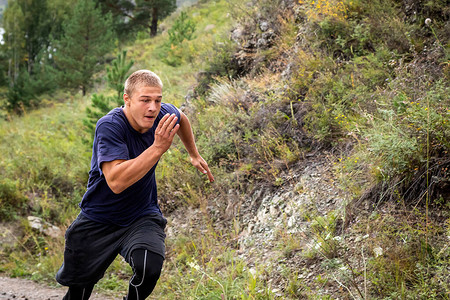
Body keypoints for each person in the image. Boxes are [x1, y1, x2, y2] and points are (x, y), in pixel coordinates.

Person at [56, 69, 214, 300]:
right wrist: (158, 148)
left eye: (158, 100)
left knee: (149, 267)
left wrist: (193, 153)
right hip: (98, 218)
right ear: (127, 99)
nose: (153, 107)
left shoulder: (162, 114)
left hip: (140, 215)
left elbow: (180, 117)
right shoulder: (110, 126)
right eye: (145, 100)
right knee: (79, 291)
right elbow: (116, 182)